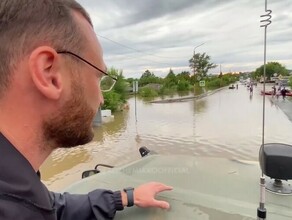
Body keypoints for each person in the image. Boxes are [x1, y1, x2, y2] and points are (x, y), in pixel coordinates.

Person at [0, 1, 172, 220]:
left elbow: (53, 207)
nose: (101, 99)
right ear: (49, 74)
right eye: (99, 77)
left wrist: (125, 197)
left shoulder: (15, 187)